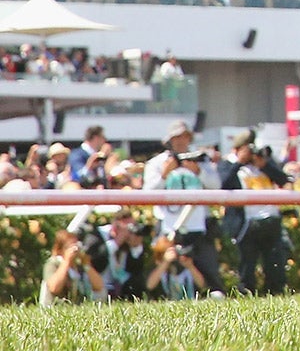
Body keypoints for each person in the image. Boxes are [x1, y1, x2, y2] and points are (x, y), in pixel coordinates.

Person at [143, 123, 225, 295]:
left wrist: (198, 172)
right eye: (177, 137)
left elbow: (217, 187)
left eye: (185, 136)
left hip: (199, 227)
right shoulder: (157, 163)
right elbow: (146, 194)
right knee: (163, 268)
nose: (181, 141)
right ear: (169, 140)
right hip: (168, 228)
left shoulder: (201, 159)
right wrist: (164, 174)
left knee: (209, 274)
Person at [228, 130, 290, 295]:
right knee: (247, 264)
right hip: (247, 223)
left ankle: (275, 293)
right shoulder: (229, 165)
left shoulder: (264, 164)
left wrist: (265, 165)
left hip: (271, 219)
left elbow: (283, 180)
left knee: (275, 263)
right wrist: (239, 163)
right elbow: (223, 184)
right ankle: (246, 293)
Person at [39, 214, 106, 305]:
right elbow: (54, 288)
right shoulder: (53, 263)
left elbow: (99, 286)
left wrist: (86, 264)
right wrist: (66, 262)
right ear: (60, 249)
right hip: (56, 308)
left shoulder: (79, 265)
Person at [99, 210, 153, 301]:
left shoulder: (127, 242)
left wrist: (136, 246)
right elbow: (100, 256)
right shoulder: (101, 233)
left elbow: (136, 270)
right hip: (99, 283)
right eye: (128, 227)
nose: (130, 230)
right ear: (116, 225)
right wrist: (118, 240)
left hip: (120, 287)